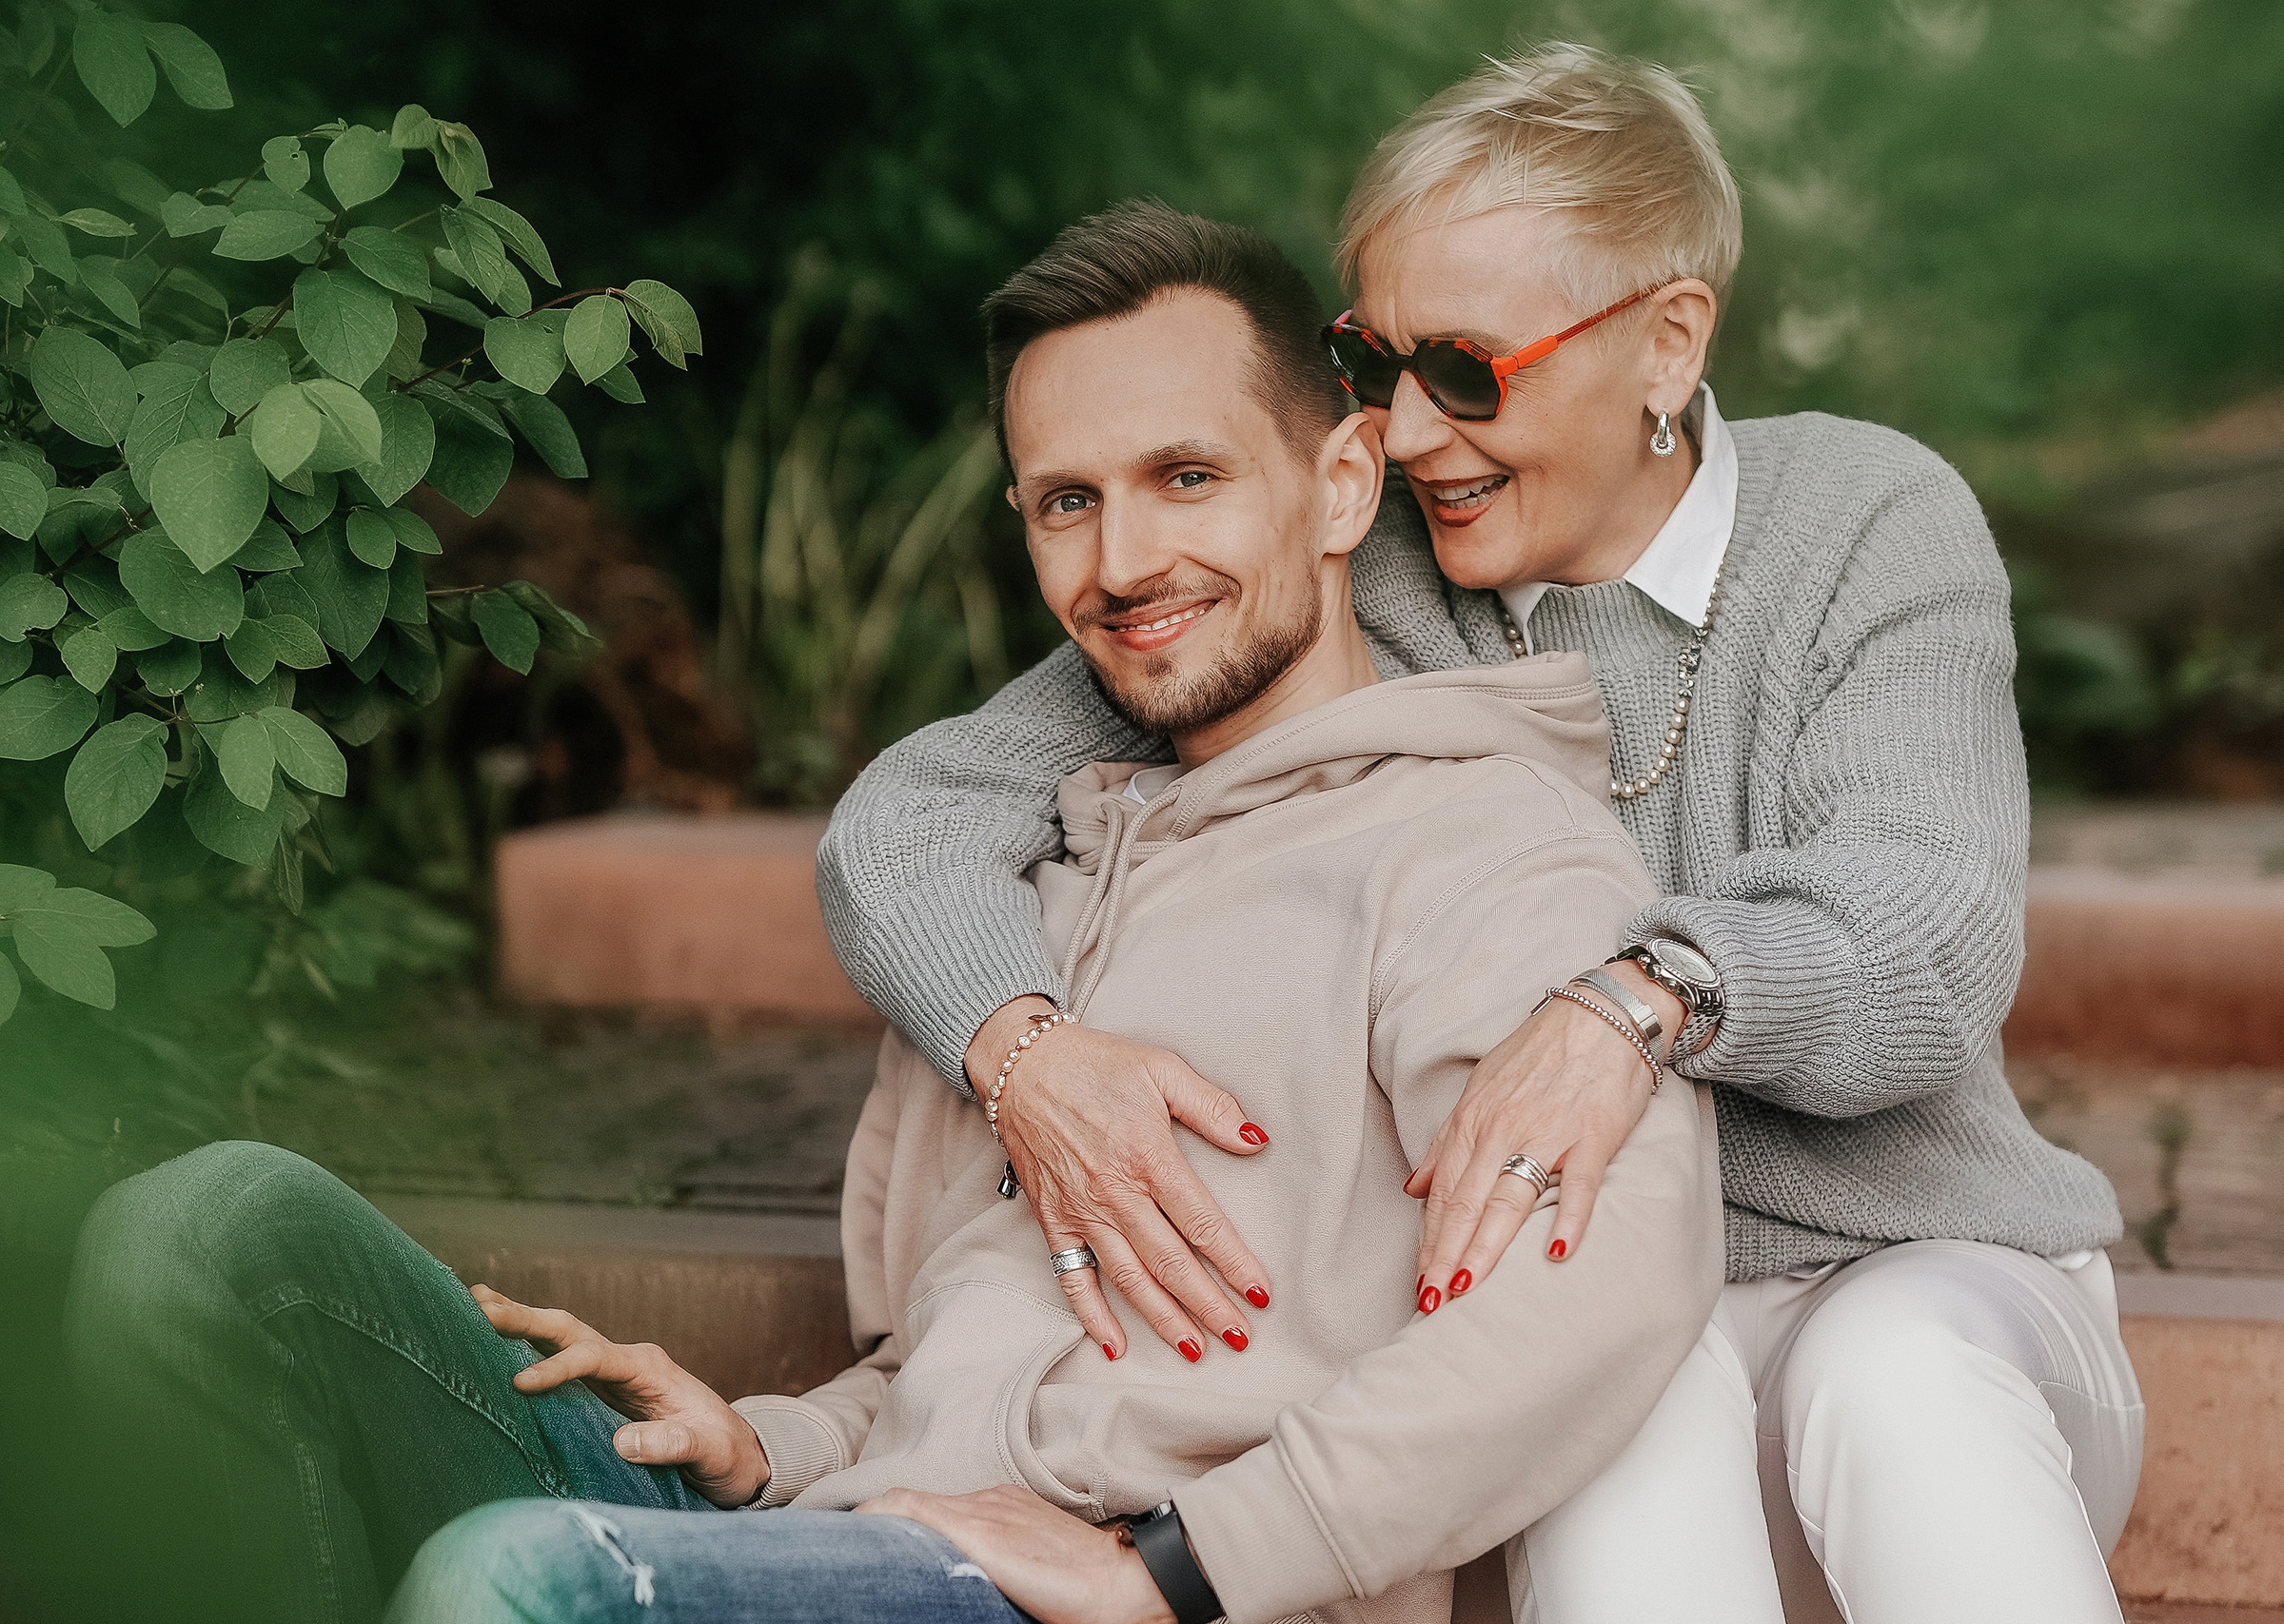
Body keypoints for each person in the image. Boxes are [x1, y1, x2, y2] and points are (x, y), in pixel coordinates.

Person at [68, 203, 1723, 1624]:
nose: (1123, 559)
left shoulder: (1482, 845)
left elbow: (1603, 1289)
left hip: (1114, 1590)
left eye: (1187, 477)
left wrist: (1188, 1562)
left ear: (1345, 482)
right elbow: (967, 1351)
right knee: (209, 1233)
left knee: (525, 1584)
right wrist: (776, 1444)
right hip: (857, 1533)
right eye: (1066, 501)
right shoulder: (1036, 883)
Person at [815, 45, 2144, 1624]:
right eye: (1373, 364)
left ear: (1667, 341)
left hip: (1938, 1272)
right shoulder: (1355, 566)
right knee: (1612, 1424)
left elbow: (1928, 924)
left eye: (1467, 369)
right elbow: (913, 815)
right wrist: (1022, 1052)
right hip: (1589, 1312)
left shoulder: (1864, 517)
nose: (1413, 432)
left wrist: (1635, 1005)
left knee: (1893, 1373)